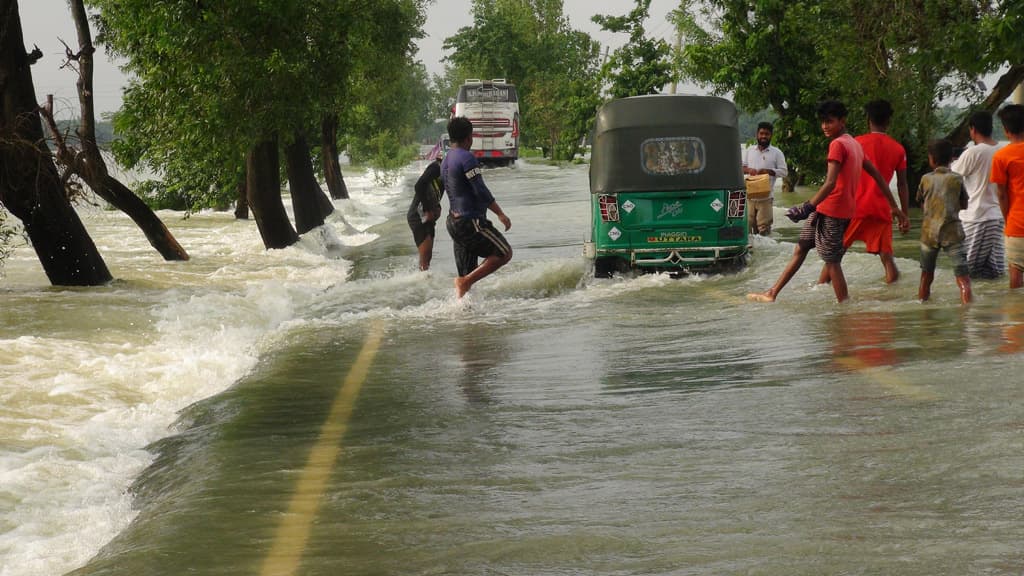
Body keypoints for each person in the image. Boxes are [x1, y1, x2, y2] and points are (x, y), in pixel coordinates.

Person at [748, 100, 895, 304]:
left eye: (830, 121)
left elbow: (830, 183)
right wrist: (895, 207)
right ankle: (772, 292)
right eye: (823, 122)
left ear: (842, 121)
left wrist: (806, 207)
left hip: (832, 211)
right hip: (831, 209)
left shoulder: (838, 145)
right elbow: (877, 176)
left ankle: (844, 306)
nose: (825, 126)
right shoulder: (854, 143)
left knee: (832, 262)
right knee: (800, 249)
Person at [820, 100, 910, 284]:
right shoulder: (898, 149)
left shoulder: (855, 143)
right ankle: (892, 301)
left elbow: (837, 178)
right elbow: (902, 184)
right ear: (889, 121)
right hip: (882, 209)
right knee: (887, 259)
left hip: (853, 208)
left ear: (868, 120)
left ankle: (820, 289)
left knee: (834, 257)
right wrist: (904, 215)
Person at [442, 116, 513, 298]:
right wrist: (500, 214)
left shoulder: (446, 159)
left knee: (466, 280)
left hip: (453, 222)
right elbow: (480, 190)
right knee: (504, 252)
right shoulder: (467, 158)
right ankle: (465, 282)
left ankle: (464, 315)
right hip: (470, 222)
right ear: (468, 138)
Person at [917, 139, 972, 304]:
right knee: (963, 280)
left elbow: (921, 202)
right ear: (951, 159)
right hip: (953, 233)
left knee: (926, 276)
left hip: (929, 234)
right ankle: (968, 313)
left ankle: (923, 308)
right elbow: (964, 204)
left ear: (932, 159)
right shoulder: (957, 179)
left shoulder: (925, 179)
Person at [953, 110, 1006, 279]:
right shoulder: (1002, 150)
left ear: (973, 130)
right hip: (998, 218)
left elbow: (951, 176)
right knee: (993, 272)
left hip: (977, 218)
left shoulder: (973, 152)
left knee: (966, 273)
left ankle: (968, 304)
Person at [991, 104, 1024, 290]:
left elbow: (1002, 195)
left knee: (1016, 282)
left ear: (1005, 130)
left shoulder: (1001, 156)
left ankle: (1018, 317)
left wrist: (1007, 220)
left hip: (1017, 225)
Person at [742, 121, 788, 235]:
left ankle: (766, 251)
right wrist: (749, 170)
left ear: (771, 135)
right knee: (748, 231)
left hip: (766, 198)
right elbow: (740, 167)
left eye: (766, 134)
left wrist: (769, 171)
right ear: (757, 134)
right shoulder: (749, 151)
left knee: (764, 231)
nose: (763, 136)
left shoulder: (777, 153)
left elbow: (784, 172)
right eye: (761, 133)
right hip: (749, 197)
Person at [407, 147, 445, 271]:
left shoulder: (446, 172)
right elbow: (418, 186)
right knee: (425, 257)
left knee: (428, 257)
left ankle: (424, 282)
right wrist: (428, 210)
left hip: (429, 216)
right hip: (418, 215)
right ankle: (422, 284)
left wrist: (438, 207)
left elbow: (437, 192)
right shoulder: (436, 168)